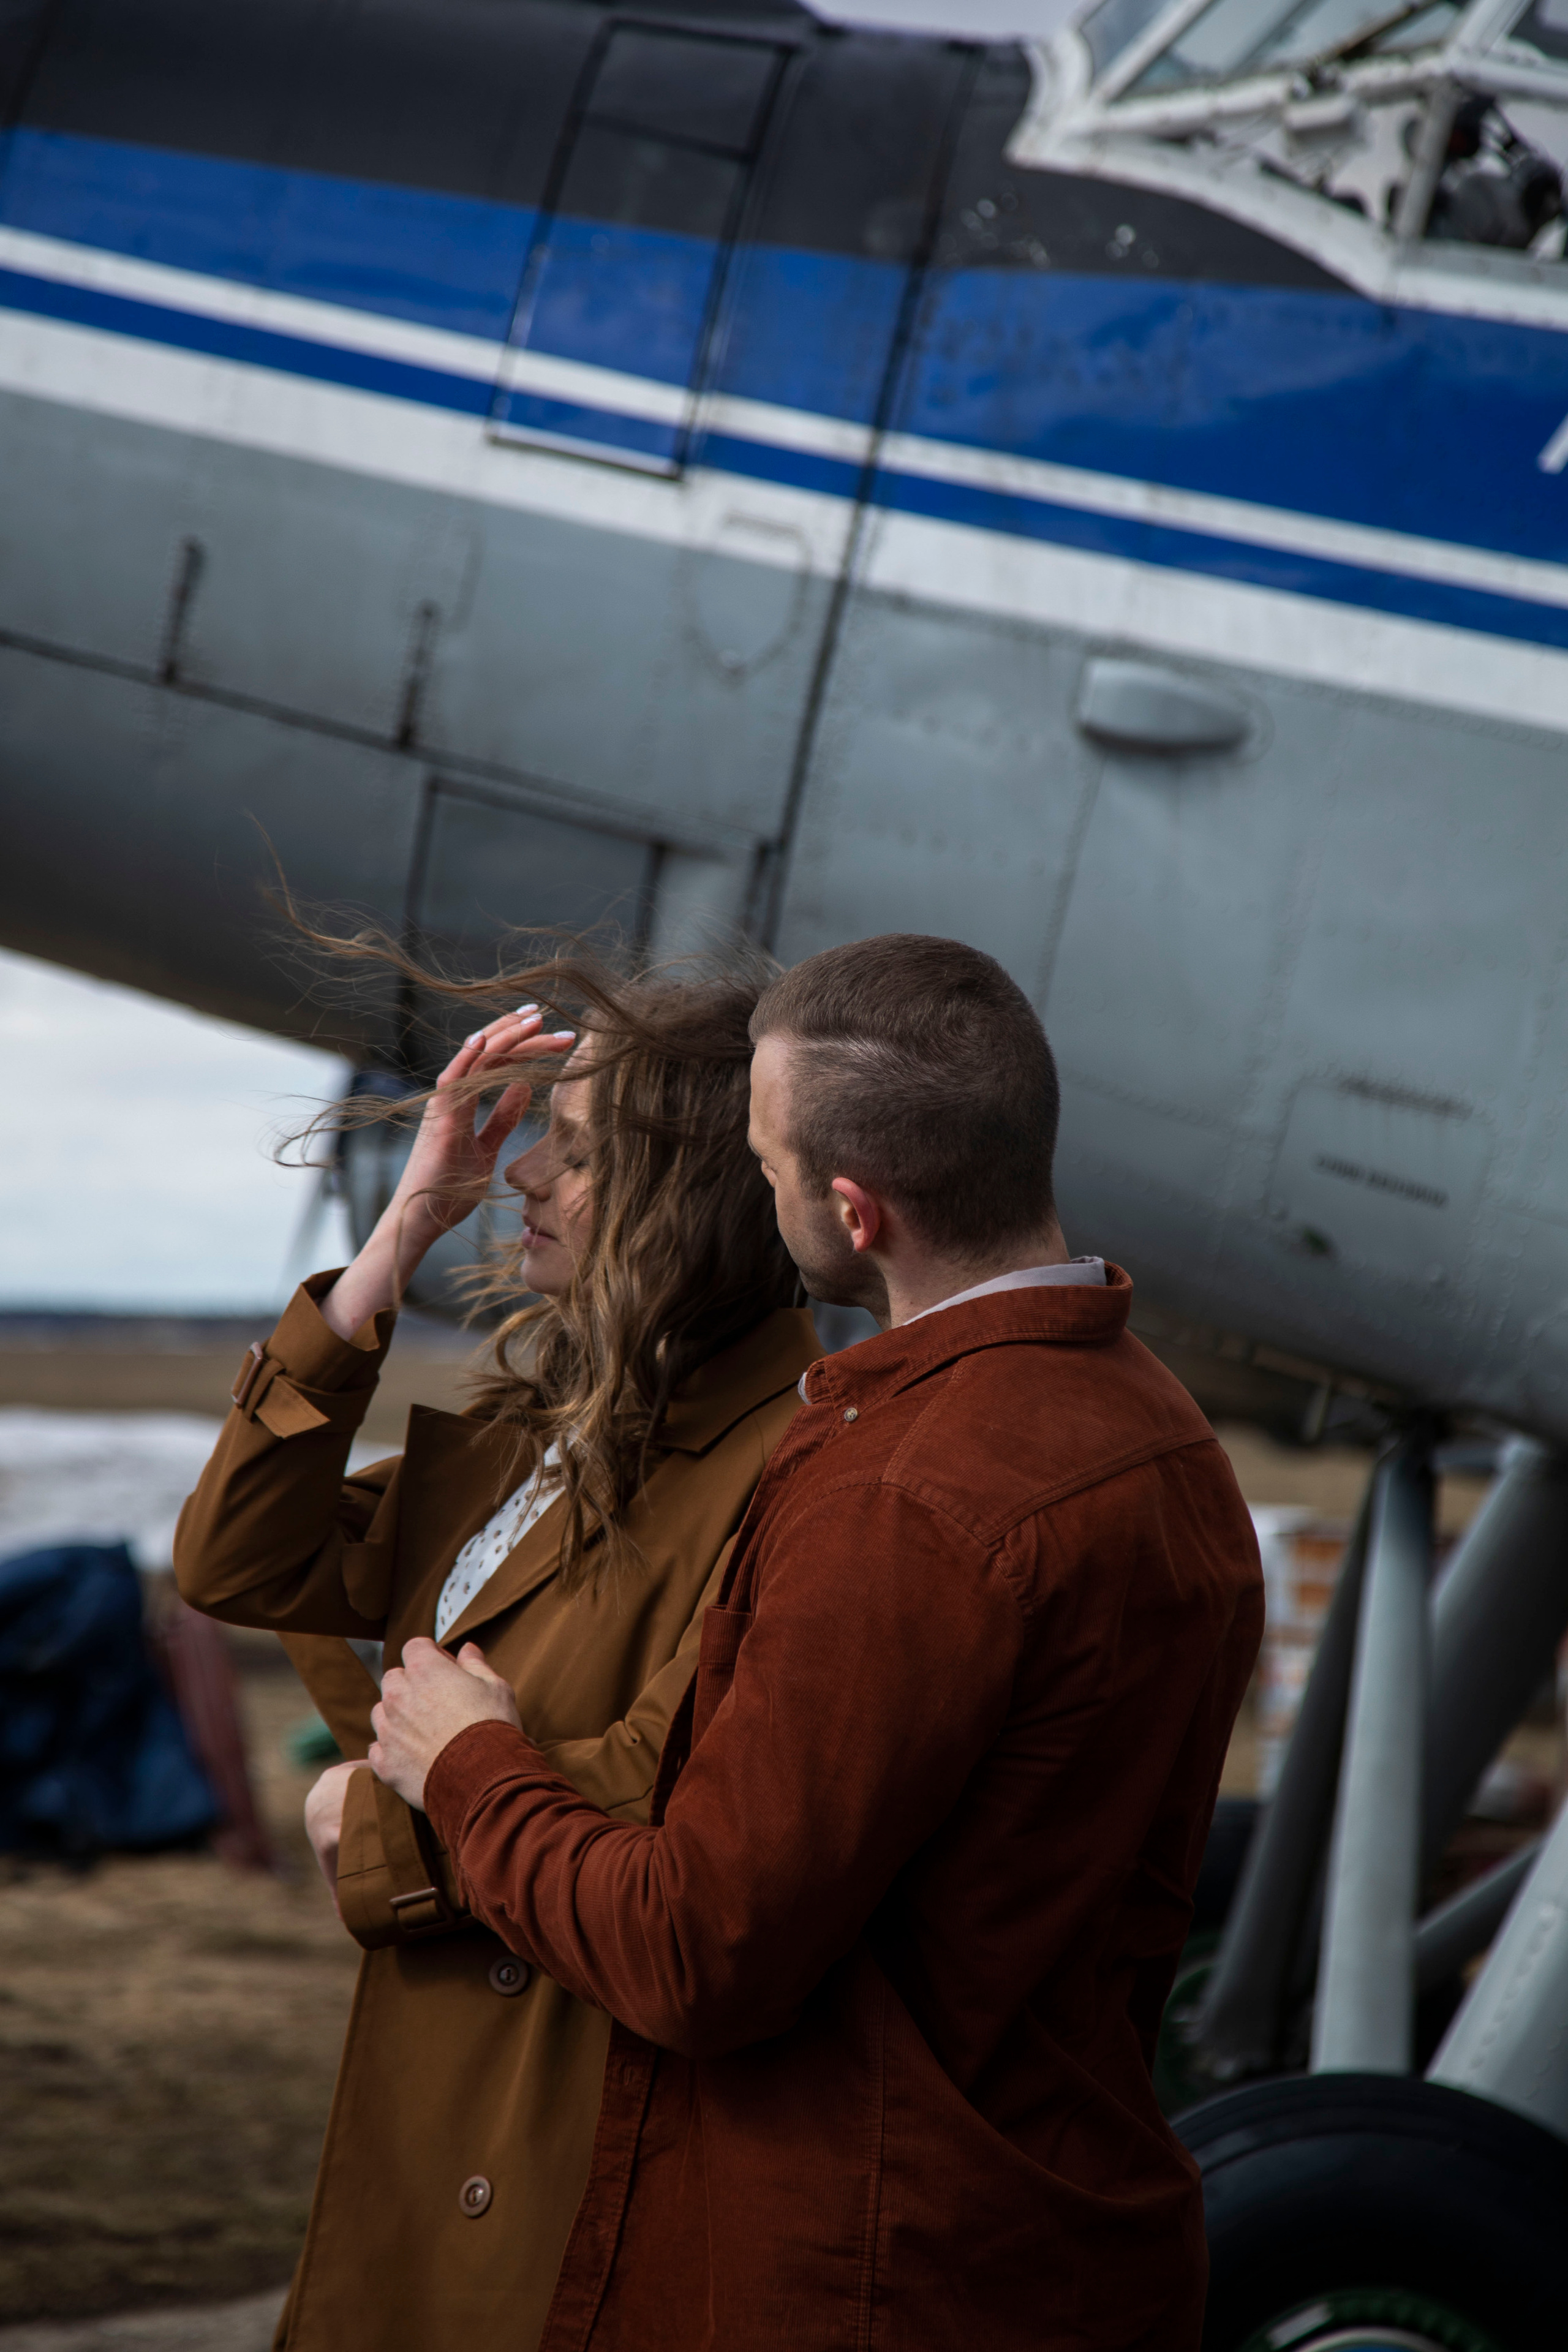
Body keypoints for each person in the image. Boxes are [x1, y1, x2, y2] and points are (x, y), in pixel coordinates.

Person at [368, 933, 1265, 2352]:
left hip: (872, 2279)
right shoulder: (1158, 1431)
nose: (757, 1193)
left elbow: (696, 1953)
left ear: (852, 1211)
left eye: (767, 1165)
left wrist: (468, 1768)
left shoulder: (906, 1496)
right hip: (1062, 2244)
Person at [173, 959, 821, 2352]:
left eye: (573, 1152)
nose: (519, 1173)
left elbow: (676, 1791)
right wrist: (400, 1234)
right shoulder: (542, 1443)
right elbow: (235, 1560)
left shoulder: (793, 1465)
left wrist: (369, 1820)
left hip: (564, 2123)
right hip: (440, 2108)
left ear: (688, 1196)